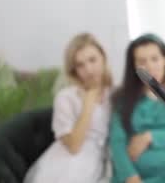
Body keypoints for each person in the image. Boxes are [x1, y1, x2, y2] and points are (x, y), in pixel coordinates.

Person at [24, 33, 113, 183]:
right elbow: (74, 146)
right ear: (74, 70)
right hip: (68, 164)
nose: (89, 69)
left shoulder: (115, 95)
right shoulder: (66, 97)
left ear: (103, 58)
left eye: (92, 60)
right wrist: (88, 104)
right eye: (80, 65)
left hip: (101, 163)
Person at [109, 34, 165, 183]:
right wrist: (130, 177)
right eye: (142, 61)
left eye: (155, 59)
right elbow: (117, 143)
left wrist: (150, 137)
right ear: (134, 66)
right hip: (135, 176)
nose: (149, 66)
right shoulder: (123, 98)